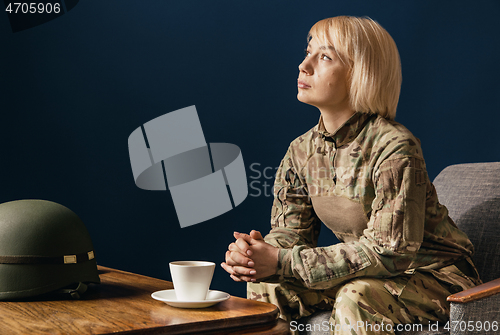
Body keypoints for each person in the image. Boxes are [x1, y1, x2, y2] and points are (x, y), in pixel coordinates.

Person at [221, 15, 481, 334]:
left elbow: (390, 251)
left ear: (360, 73)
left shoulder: (393, 146)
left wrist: (281, 261)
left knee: (356, 298)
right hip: (374, 273)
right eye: (308, 52)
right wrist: (258, 255)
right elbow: (293, 233)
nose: (304, 65)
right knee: (268, 288)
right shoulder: (303, 152)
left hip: (437, 278)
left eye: (325, 57)